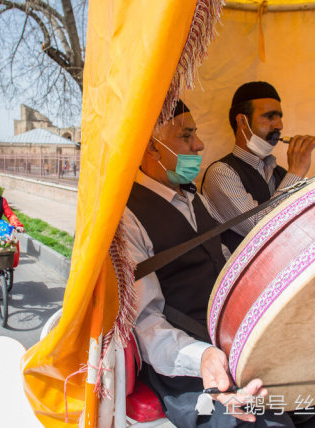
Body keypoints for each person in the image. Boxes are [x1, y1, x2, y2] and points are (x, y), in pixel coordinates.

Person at [122, 100, 293, 427]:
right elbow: (144, 322)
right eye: (187, 136)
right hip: (182, 363)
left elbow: (224, 264)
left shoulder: (195, 199)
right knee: (259, 423)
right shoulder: (128, 218)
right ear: (151, 149)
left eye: (196, 135)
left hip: (231, 341)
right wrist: (200, 356)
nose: (200, 145)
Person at [202, 81, 315, 252]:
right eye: (269, 116)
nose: (279, 125)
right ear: (242, 121)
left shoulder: (279, 174)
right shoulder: (221, 173)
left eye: (280, 117)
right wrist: (296, 171)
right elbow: (260, 230)